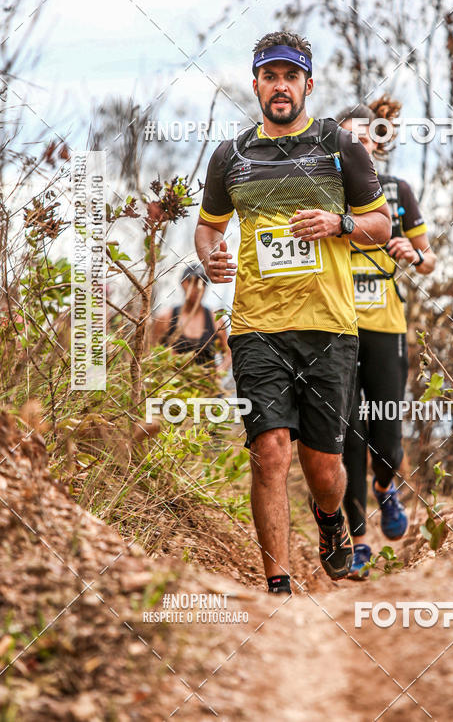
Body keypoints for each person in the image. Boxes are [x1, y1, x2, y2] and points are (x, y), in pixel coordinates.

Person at [195, 31, 391, 594]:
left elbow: (380, 226)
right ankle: (276, 584)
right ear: (256, 84)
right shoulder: (230, 156)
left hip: (329, 326)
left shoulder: (339, 149)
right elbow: (207, 227)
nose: (280, 87)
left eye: (291, 76)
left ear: (308, 83)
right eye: (270, 76)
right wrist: (212, 258)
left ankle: (331, 522)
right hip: (258, 327)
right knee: (269, 452)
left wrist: (340, 224)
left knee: (322, 467)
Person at [337, 100, 436, 579]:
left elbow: (429, 258)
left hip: (387, 324)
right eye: (350, 137)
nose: (362, 144)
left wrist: (411, 254)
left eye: (368, 136)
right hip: (334, 324)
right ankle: (358, 540)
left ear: (380, 140)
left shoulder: (398, 191)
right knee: (347, 435)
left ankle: (385, 485)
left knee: (387, 432)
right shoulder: (323, 189)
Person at [153, 264, 231, 370]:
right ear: (182, 283)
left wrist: (218, 372)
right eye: (192, 282)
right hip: (172, 383)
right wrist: (166, 359)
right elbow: (151, 351)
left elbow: (228, 354)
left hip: (206, 383)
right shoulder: (166, 317)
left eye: (203, 284)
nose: (197, 288)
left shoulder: (215, 320)